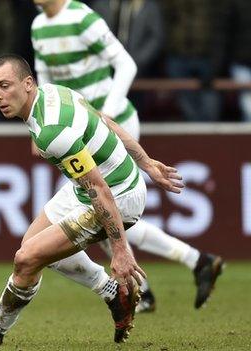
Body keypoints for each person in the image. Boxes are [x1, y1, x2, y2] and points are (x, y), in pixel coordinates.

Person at [0, 54, 184, 347]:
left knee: (26, 259)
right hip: (88, 188)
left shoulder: (52, 132)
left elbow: (99, 190)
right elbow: (105, 121)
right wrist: (146, 162)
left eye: (5, 85)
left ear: (27, 83)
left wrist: (120, 249)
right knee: (33, 247)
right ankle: (112, 291)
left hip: (118, 195)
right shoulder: (54, 93)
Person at [30, 0, 223, 313]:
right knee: (101, 213)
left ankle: (146, 288)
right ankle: (194, 263)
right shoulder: (39, 25)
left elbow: (126, 64)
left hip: (111, 122)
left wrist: (107, 111)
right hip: (76, 128)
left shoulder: (81, 18)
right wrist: (38, 122)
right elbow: (43, 76)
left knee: (101, 210)